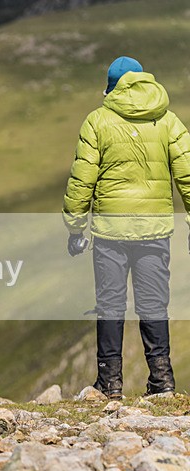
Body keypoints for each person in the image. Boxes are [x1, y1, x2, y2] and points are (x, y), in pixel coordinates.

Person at [63, 56, 190, 399]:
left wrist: (75, 229)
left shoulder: (97, 122)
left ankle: (109, 384)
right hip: (155, 230)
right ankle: (162, 382)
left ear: (112, 86)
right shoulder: (168, 121)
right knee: (153, 304)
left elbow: (82, 180)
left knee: (110, 305)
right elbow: (188, 176)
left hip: (110, 233)